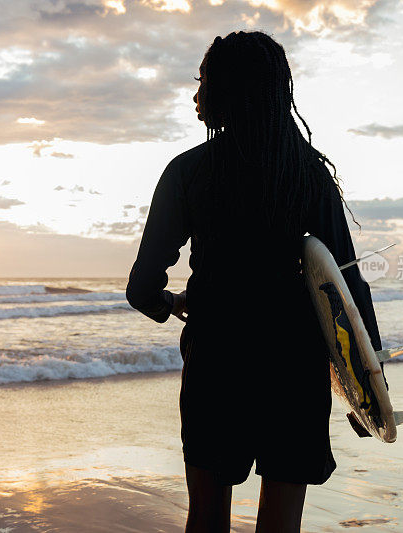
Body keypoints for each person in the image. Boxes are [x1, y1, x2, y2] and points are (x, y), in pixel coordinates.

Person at [126, 30, 382, 533]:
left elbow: (140, 287)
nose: (196, 96)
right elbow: (347, 288)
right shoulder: (308, 173)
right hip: (294, 370)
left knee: (205, 518)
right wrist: (367, 388)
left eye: (204, 83)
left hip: (217, 363)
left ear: (228, 90)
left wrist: (170, 303)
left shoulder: (188, 172)